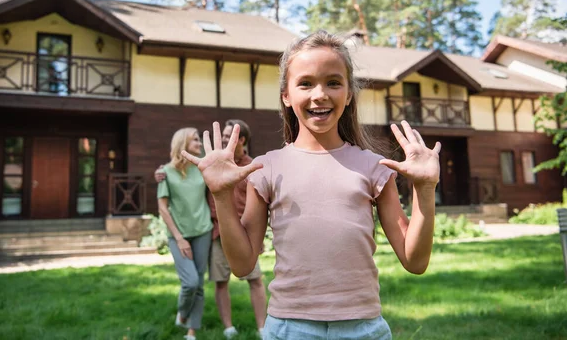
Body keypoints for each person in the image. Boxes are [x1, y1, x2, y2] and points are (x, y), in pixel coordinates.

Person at [182, 30, 441, 340]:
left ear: (348, 94)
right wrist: (222, 197)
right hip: (290, 328)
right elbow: (242, 264)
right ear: (286, 96)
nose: (320, 94)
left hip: (363, 329)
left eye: (333, 82)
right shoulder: (266, 168)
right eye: (305, 83)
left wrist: (424, 191)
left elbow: (415, 261)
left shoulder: (374, 168)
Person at [155, 120, 268, 339]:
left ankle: (262, 328)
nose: (223, 141)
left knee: (251, 280)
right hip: (216, 232)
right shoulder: (199, 166)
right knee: (213, 282)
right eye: (223, 137)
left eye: (228, 137)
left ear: (241, 140)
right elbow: (176, 182)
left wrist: (258, 233)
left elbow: (258, 204)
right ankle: (223, 326)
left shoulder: (246, 167)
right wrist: (160, 172)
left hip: (233, 234)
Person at [156, 128, 213, 340]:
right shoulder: (165, 172)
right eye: (195, 140)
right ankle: (182, 313)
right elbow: (163, 208)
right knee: (189, 283)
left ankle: (192, 330)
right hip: (178, 234)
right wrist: (179, 238)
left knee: (198, 283)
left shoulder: (202, 166)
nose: (199, 143)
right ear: (183, 144)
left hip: (202, 231)